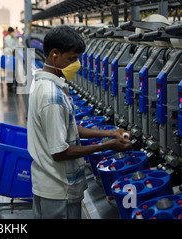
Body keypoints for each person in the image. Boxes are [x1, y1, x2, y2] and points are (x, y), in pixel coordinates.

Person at [27, 25, 131, 219]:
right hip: (59, 189)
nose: (77, 64)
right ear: (54, 54)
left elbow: (70, 128)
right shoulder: (52, 97)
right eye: (72, 59)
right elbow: (59, 152)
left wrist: (110, 133)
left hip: (50, 185)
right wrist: (109, 146)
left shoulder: (44, 85)